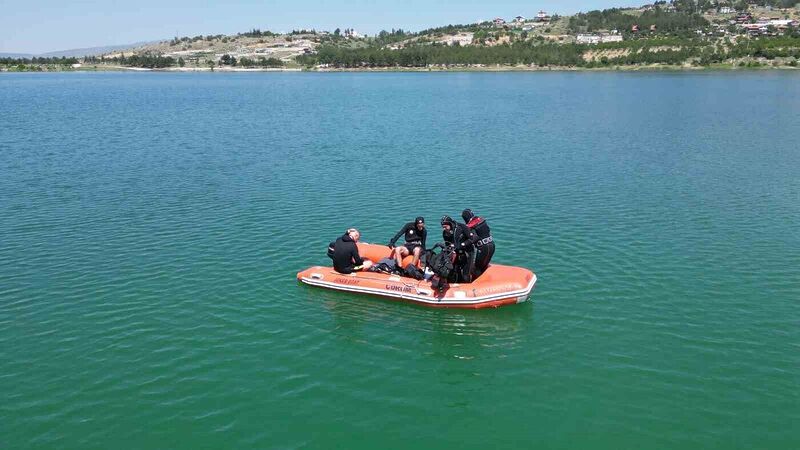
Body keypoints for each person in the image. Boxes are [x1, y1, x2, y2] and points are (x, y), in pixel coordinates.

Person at [440, 215, 478, 283]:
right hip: (457, 253)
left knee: (466, 274)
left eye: (445, 227)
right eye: (443, 227)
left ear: (450, 224)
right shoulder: (445, 233)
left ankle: (468, 285)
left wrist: (462, 244)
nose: (444, 229)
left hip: (467, 252)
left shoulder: (461, 227)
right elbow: (448, 245)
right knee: (454, 271)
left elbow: (473, 238)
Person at [462, 209, 495, 277]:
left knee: (477, 268)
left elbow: (473, 238)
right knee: (483, 266)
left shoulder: (471, 225)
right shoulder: (481, 221)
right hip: (492, 245)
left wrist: (463, 244)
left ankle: (476, 284)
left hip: (484, 248)